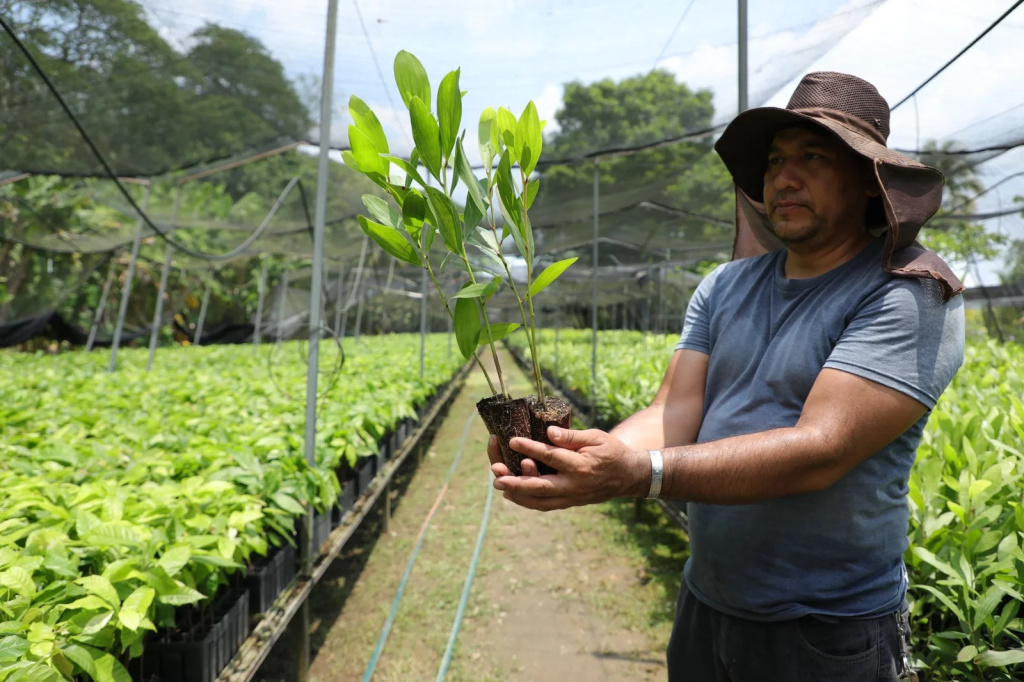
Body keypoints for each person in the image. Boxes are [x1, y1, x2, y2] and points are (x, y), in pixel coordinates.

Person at [487, 72, 966, 681]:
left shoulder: (907, 294)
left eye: (813, 157)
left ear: (870, 184)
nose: (783, 178)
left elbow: (821, 451)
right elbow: (674, 411)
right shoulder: (726, 285)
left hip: (825, 628)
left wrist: (640, 475)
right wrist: (571, 454)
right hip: (708, 602)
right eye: (774, 161)